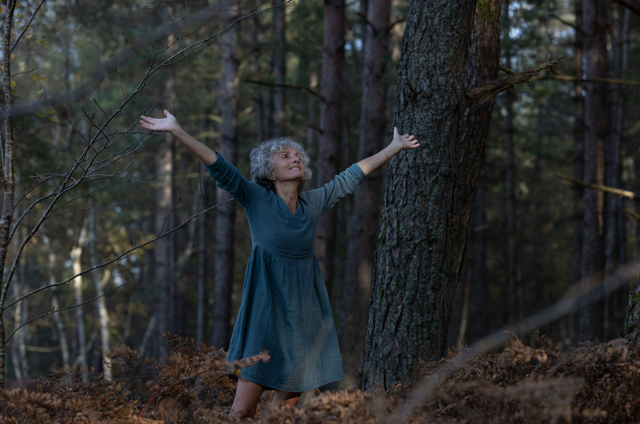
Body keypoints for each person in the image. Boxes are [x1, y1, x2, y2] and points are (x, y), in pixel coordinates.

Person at [139, 110, 420, 418]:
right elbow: (217, 164)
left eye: (298, 155)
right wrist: (178, 130)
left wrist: (394, 148)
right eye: (285, 156)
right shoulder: (256, 197)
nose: (295, 158)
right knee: (242, 410)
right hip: (265, 309)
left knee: (283, 413)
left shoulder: (312, 203)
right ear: (270, 172)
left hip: (304, 313)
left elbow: (351, 176)